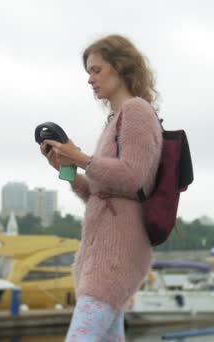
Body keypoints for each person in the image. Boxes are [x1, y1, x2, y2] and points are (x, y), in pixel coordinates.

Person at [39, 34, 162, 341]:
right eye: (88, 73)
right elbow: (98, 192)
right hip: (105, 256)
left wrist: (81, 158)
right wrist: (65, 168)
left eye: (96, 70)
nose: (90, 80)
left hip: (116, 255)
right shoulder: (116, 120)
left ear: (120, 67)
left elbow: (132, 176)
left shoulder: (137, 111)